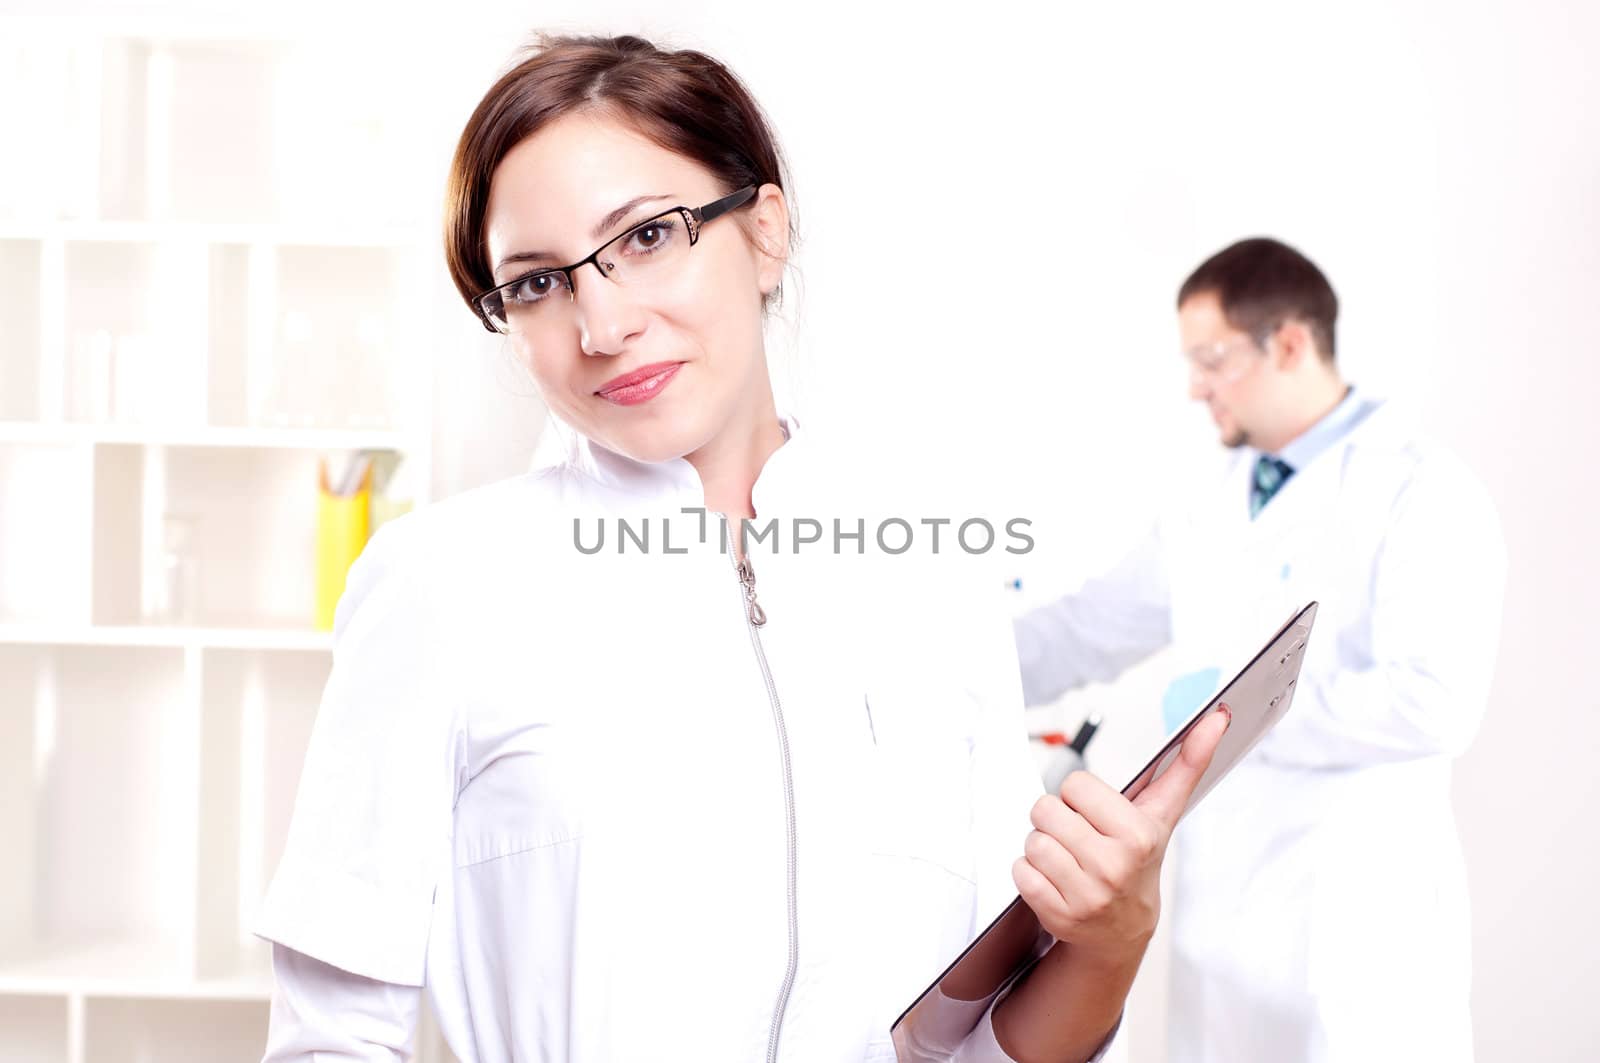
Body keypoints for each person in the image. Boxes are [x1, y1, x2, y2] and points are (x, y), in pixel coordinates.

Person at [255, 34, 1230, 1063]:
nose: (602, 320)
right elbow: (333, 1038)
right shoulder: (441, 586)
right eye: (537, 283)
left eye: (646, 236)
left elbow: (969, 1044)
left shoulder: (935, 585)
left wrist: (1111, 940)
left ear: (764, 232)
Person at [1013, 237, 1506, 1062]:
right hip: (1223, 948)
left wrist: (1236, 708)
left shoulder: (1419, 488)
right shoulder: (1210, 505)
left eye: (1212, 359)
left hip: (1359, 951)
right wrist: (950, 652)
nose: (1195, 385)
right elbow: (1088, 628)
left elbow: (1436, 700)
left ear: (1288, 342)